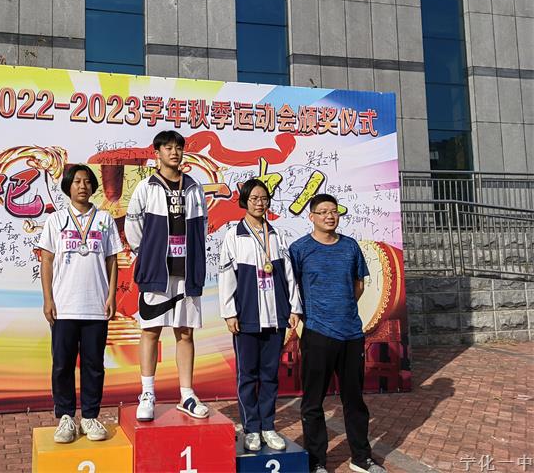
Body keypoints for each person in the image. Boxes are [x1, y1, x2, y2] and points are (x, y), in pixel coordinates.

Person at [289, 194, 386, 473]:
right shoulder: (300, 249)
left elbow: (359, 285)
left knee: (354, 400)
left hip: (351, 334)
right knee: (313, 402)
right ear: (311, 217)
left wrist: (341, 309)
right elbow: (292, 288)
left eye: (333, 211)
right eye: (322, 212)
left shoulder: (350, 246)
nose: (329, 216)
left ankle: (361, 458)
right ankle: (316, 461)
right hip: (317, 333)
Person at [125, 130, 209, 421]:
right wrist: (148, 252)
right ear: (157, 153)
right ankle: (147, 393)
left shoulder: (194, 187)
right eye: (168, 148)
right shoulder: (146, 187)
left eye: (178, 148)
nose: (174, 152)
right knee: (150, 331)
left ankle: (186, 394)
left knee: (185, 333)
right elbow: (133, 226)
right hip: (157, 272)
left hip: (186, 272)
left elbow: (202, 227)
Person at [38, 164, 123, 443]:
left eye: (87, 181)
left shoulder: (104, 220)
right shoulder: (56, 220)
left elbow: (112, 260)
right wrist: (48, 299)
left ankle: (89, 416)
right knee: (62, 364)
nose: (82, 186)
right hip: (64, 306)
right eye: (76, 182)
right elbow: (46, 260)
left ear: (93, 187)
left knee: (93, 365)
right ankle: (65, 417)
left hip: (96, 306)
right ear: (68, 187)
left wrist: (111, 296)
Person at [219, 178, 302, 452]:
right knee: (247, 376)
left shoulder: (276, 235)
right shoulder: (234, 235)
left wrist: (294, 307)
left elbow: (289, 274)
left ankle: (268, 426)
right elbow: (226, 277)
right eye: (254, 198)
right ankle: (251, 428)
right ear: (244, 201)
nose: (260, 203)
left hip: (275, 315)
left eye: (264, 198)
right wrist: (229, 312)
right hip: (247, 316)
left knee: (270, 375)